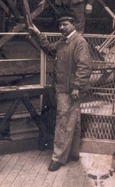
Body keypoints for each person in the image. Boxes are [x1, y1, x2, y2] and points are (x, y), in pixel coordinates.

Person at [29, 14, 92, 172]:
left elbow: (84, 67)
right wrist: (38, 33)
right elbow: (50, 49)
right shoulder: (64, 41)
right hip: (63, 88)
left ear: (73, 25)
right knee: (74, 120)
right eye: (60, 25)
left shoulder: (79, 42)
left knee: (63, 122)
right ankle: (73, 153)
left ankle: (58, 158)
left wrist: (77, 86)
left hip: (69, 89)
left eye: (65, 24)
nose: (62, 27)